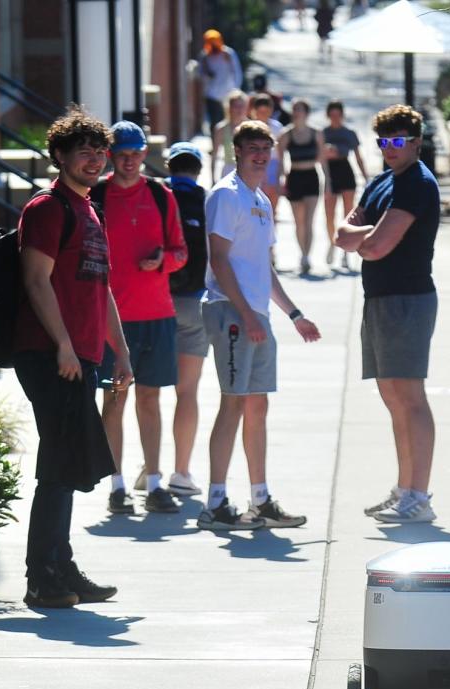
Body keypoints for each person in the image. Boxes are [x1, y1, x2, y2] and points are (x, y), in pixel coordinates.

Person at [14, 105, 128, 608]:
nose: (94, 158)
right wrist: (62, 344)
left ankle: (60, 566)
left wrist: (119, 351)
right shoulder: (46, 209)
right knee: (59, 463)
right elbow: (36, 281)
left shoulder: (89, 209)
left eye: (99, 150)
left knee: (68, 461)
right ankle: (43, 576)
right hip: (49, 353)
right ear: (58, 155)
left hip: (82, 355)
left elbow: (101, 291)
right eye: (83, 150)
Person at [199, 120, 323, 531]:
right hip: (230, 312)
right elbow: (219, 261)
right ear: (237, 152)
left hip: (257, 315)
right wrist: (247, 315)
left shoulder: (262, 200)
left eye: (264, 150)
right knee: (232, 402)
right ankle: (215, 504)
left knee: (257, 404)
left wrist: (294, 314)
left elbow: (263, 268)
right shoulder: (226, 195)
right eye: (251, 148)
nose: (258, 156)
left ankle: (260, 499)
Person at [334, 104, 441, 523]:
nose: (389, 149)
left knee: (411, 398)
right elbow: (342, 236)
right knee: (392, 398)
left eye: (397, 141)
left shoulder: (417, 183)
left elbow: (377, 247)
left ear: (415, 141)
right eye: (383, 142)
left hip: (408, 299)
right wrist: (369, 234)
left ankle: (419, 497)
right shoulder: (381, 181)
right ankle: (404, 489)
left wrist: (365, 236)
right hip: (378, 297)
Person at [92, 121, 189, 517]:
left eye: (136, 153)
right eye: (123, 154)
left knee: (150, 399)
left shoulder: (161, 195)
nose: (130, 161)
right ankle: (116, 486)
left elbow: (181, 252)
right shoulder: (96, 196)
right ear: (111, 156)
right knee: (114, 400)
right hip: (111, 319)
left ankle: (154, 482)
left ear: (145, 154)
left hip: (156, 314)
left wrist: (163, 260)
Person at [161, 141, 210, 498]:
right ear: (197, 169)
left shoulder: (157, 196)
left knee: (146, 392)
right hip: (194, 303)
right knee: (187, 392)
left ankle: (148, 469)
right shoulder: (207, 201)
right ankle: (181, 471)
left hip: (154, 304)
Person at [276, 99, 321, 275]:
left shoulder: (316, 133)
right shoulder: (285, 135)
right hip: (294, 177)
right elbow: (280, 161)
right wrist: (280, 180)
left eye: (300, 109)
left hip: (312, 177)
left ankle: (306, 257)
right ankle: (301, 252)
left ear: (306, 113)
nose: (296, 112)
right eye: (294, 109)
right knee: (299, 221)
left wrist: (329, 182)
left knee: (309, 221)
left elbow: (322, 160)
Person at [322, 100, 368, 269]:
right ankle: (332, 243)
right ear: (328, 116)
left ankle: (345, 252)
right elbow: (321, 156)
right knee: (329, 214)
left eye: (338, 115)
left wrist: (366, 177)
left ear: (342, 115)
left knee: (347, 214)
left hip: (346, 173)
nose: (335, 118)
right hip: (330, 174)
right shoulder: (323, 133)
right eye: (332, 115)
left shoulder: (349, 133)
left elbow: (358, 157)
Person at [199, 29, 243, 136]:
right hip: (212, 94)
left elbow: (237, 71)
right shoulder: (205, 56)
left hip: (227, 94)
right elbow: (201, 73)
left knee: (229, 122)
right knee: (214, 122)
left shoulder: (227, 54)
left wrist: (236, 89)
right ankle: (215, 142)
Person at [250, 92, 284, 213]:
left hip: (272, 167)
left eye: (266, 111)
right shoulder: (249, 128)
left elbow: (281, 154)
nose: (263, 115)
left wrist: (281, 174)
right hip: (253, 166)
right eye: (260, 112)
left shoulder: (277, 128)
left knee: (271, 206)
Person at [211, 90, 249, 186]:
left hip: (248, 171)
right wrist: (212, 179)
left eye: (242, 106)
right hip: (228, 171)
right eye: (236, 106)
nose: (239, 109)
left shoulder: (251, 127)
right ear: (229, 108)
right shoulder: (221, 129)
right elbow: (214, 155)